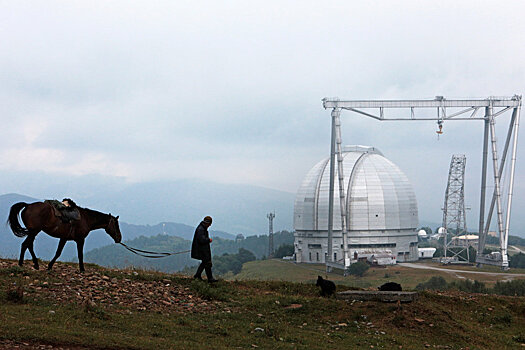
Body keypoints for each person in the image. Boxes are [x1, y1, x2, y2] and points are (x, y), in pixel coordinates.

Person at [191, 216, 218, 283]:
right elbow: (201, 240)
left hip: (201, 249)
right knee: (207, 262)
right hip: (202, 249)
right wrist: (208, 240)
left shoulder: (201, 228)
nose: (210, 225)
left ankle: (198, 275)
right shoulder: (201, 229)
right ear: (208, 223)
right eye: (210, 224)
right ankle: (210, 278)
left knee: (204, 262)